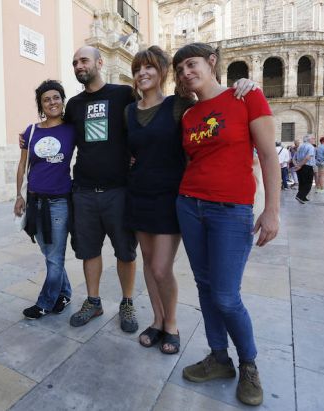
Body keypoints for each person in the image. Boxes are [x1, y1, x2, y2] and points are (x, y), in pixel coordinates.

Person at [125, 46, 256, 355]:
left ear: (161, 72)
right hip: (139, 195)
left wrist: (243, 84)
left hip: (172, 196)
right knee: (146, 261)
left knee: (160, 268)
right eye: (137, 69)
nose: (142, 74)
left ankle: (171, 324)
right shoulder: (128, 111)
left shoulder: (179, 105)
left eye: (149, 68)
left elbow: (212, 110)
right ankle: (157, 321)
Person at [173, 43, 280, 406]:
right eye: (181, 68)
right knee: (205, 286)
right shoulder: (188, 115)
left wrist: (272, 211)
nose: (187, 72)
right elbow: (192, 159)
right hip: (189, 205)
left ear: (211, 63)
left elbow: (268, 155)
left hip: (231, 210)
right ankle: (219, 358)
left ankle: (248, 364)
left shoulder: (246, 97)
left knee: (225, 295)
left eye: (193, 63)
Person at [63, 46, 139, 332]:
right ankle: (93, 301)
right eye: (74, 63)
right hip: (83, 191)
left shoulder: (123, 94)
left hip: (119, 190)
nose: (79, 65)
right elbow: (61, 134)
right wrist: (32, 137)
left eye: (83, 60)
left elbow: (149, 116)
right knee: (88, 250)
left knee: (125, 251)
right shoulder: (73, 105)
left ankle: (127, 302)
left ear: (99, 62)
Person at [14, 80, 75, 319]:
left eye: (56, 97)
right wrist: (18, 195)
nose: (52, 102)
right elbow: (22, 165)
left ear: (62, 100)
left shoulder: (72, 129)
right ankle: (65, 292)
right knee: (49, 254)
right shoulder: (31, 132)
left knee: (54, 256)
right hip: (34, 201)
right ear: (41, 104)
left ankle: (45, 302)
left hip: (59, 201)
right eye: (47, 99)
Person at [294, 134, 316, 204]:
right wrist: (300, 165)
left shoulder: (300, 146)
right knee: (308, 183)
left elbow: (294, 157)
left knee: (302, 182)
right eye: (313, 138)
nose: (314, 140)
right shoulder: (311, 147)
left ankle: (303, 197)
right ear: (309, 139)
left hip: (300, 166)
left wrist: (297, 165)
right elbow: (307, 157)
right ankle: (300, 196)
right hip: (306, 166)